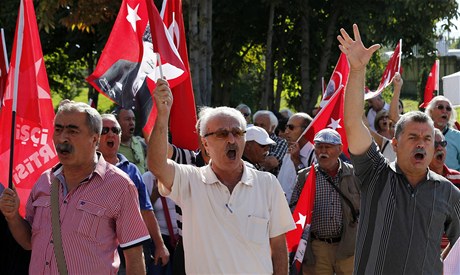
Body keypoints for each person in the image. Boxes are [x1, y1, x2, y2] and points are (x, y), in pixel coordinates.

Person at [339, 24, 460, 274]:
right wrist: (358, 70)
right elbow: (351, 123)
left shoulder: (447, 192)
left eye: (428, 139)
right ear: (394, 143)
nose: (421, 143)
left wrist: (441, 263)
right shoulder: (375, 174)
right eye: (413, 136)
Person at [148, 79, 295, 274]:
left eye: (237, 132)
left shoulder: (267, 184)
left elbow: (278, 246)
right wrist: (163, 114)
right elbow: (157, 165)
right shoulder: (190, 180)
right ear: (205, 144)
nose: (231, 140)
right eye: (222, 134)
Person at [0, 102, 149, 274]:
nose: (63, 138)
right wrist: (12, 217)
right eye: (58, 129)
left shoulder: (120, 186)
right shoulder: (44, 181)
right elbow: (28, 241)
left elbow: (135, 258)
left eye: (72, 131)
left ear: (94, 138)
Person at [98, 114, 169, 273]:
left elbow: (146, 210)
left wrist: (159, 245)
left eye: (115, 130)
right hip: (100, 251)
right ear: (95, 137)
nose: (111, 134)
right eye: (105, 130)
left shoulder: (132, 170)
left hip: (132, 248)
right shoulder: (86, 170)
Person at [290, 129, 360, 275]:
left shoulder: (354, 175)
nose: (323, 151)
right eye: (319, 147)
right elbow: (294, 211)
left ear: (339, 149)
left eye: (327, 147)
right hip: (317, 247)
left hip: (348, 244)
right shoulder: (305, 177)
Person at [277, 112, 315, 202]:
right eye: (286, 127)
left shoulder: (314, 155)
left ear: (306, 130)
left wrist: (297, 161)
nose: (286, 132)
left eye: (291, 127)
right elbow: (281, 183)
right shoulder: (288, 153)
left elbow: (312, 186)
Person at [425, 95, 460, 171]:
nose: (445, 111)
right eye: (440, 107)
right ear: (431, 111)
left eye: (448, 109)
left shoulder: (458, 136)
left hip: (453, 180)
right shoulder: (422, 134)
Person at [253, 110, 288, 175]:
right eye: (256, 125)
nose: (258, 128)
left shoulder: (280, 142)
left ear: (272, 127)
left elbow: (271, 163)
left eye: (262, 125)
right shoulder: (249, 140)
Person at [115, 108, 148, 174]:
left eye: (133, 119)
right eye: (127, 119)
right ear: (117, 122)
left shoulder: (140, 143)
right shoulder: (113, 146)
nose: (131, 123)